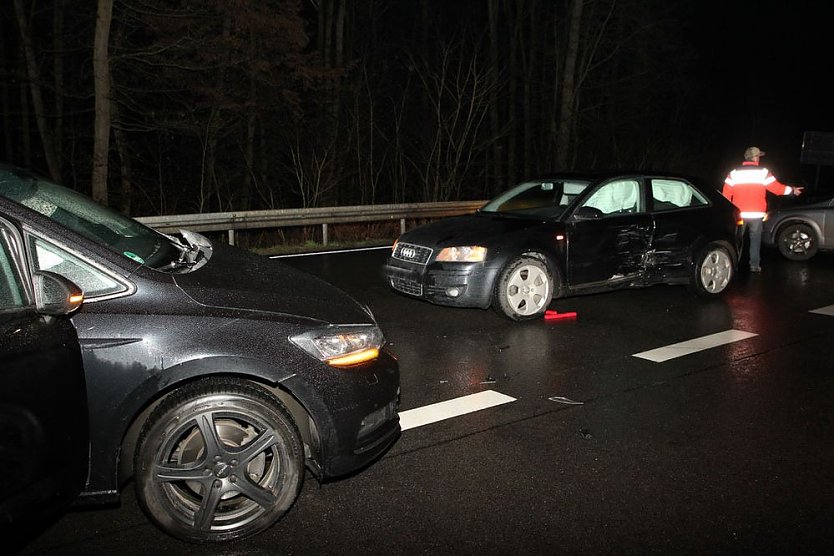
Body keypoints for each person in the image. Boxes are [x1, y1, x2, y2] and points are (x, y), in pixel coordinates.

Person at [722, 146, 803, 272]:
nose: (759, 158)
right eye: (759, 156)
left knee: (737, 240)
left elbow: (726, 195)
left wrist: (727, 211)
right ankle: (754, 265)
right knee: (755, 240)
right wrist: (792, 190)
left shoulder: (733, 173)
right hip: (756, 214)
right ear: (754, 157)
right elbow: (777, 188)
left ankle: (733, 265)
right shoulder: (763, 172)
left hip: (739, 213)